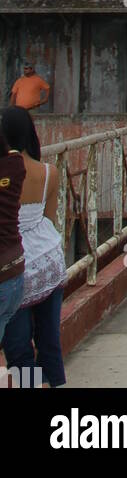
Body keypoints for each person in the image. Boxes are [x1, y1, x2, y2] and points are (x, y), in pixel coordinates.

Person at [0, 108, 66, 388]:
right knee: (50, 340)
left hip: (17, 264)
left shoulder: (7, 172)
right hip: (50, 260)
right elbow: (50, 219)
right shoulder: (50, 172)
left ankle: (32, 385)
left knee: (19, 349)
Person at [0, 124, 26, 356]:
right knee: (25, 350)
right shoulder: (19, 166)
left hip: (10, 271)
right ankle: (47, 382)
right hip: (25, 270)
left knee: (18, 353)